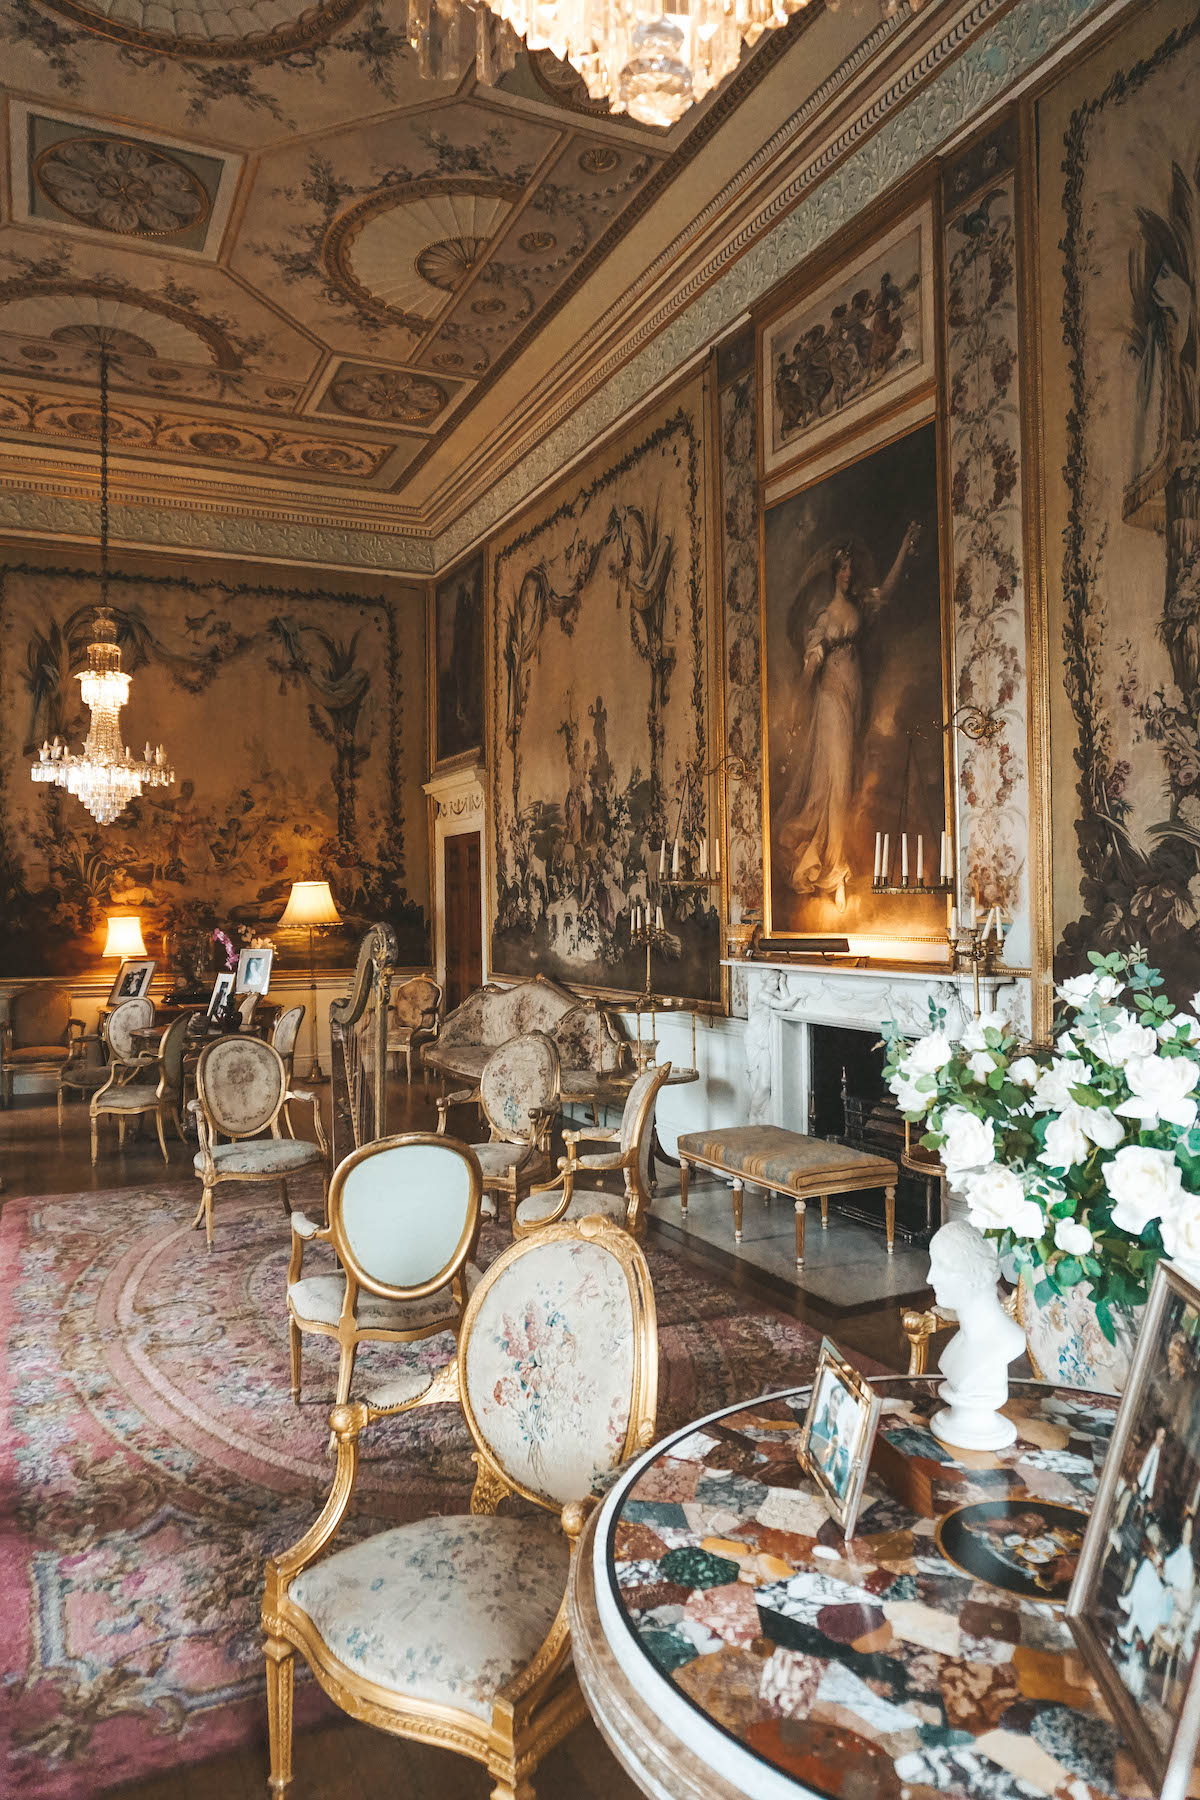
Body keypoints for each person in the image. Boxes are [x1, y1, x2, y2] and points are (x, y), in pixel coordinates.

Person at [775, 525, 920, 913]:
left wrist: (905, 544)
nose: (848, 575)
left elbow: (887, 591)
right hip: (830, 700)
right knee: (836, 785)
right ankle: (834, 872)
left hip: (854, 701)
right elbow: (811, 666)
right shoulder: (824, 619)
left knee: (844, 784)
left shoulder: (858, 606)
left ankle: (831, 861)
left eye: (850, 569)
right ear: (833, 572)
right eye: (842, 569)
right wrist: (796, 699)